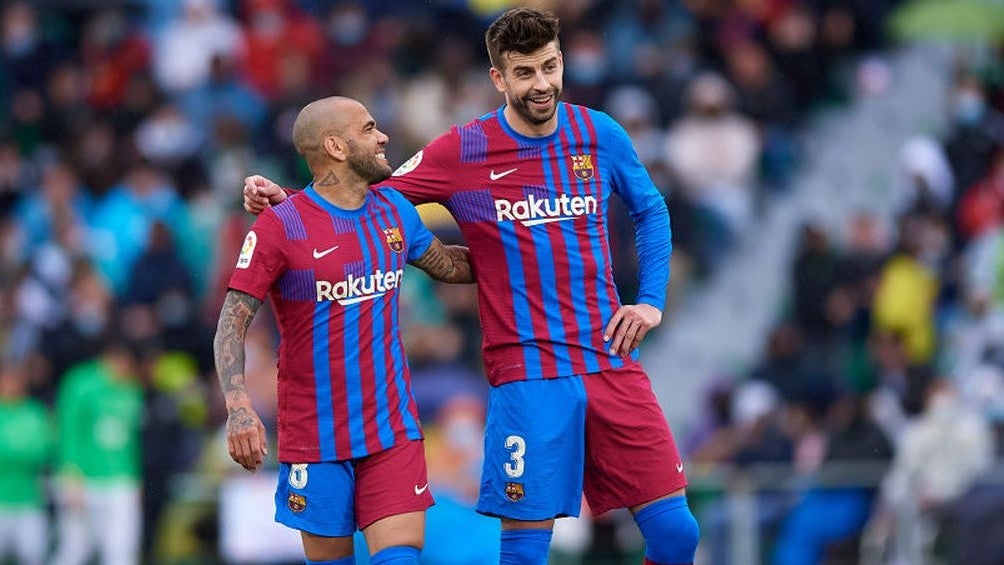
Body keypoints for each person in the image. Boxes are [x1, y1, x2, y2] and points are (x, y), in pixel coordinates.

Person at [243, 9, 700, 565]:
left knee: (677, 533)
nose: (541, 84)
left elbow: (650, 209)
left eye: (549, 67)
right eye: (524, 72)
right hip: (527, 371)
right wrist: (293, 204)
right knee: (526, 554)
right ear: (498, 78)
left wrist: (650, 302)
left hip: (609, 358)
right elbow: (370, 198)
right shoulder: (464, 149)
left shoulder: (598, 133)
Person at [214, 95, 474, 565]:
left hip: (391, 429)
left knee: (400, 559)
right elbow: (230, 324)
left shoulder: (395, 209)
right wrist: (238, 407)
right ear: (335, 146)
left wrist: (522, 244)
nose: (383, 137)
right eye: (369, 128)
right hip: (315, 437)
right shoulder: (279, 226)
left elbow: (450, 266)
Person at [50, 337, 145, 565]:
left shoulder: (131, 389)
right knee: (74, 549)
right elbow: (67, 430)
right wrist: (69, 474)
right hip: (84, 478)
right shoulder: (80, 382)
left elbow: (131, 439)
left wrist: (135, 479)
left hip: (122, 479)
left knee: (121, 550)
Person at [0, 362, 53, 565]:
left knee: (34, 556)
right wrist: (21, 452)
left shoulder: (36, 413)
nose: (11, 384)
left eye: (16, 379)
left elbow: (44, 450)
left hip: (30, 501)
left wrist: (9, 453)